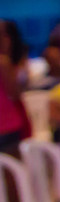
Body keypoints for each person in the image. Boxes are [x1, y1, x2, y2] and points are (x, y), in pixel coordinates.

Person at [0, 22, 32, 157]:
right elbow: (15, 93)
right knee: (14, 172)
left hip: (8, 123)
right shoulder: (4, 62)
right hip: (7, 123)